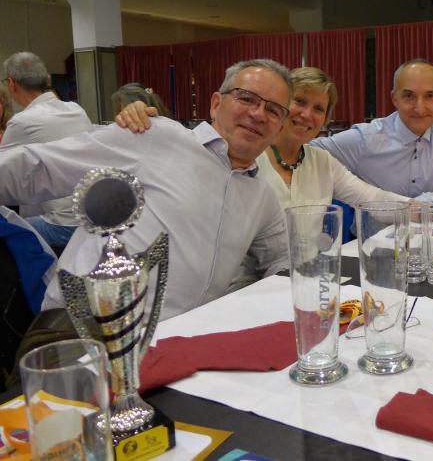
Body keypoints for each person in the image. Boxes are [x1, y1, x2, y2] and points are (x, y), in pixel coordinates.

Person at [0, 58, 292, 319]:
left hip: (181, 343)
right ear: (216, 104)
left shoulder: (262, 196)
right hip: (88, 330)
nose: (258, 114)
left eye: (273, 110)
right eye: (246, 98)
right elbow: (39, 167)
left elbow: (283, 258)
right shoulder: (153, 136)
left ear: (279, 128)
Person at [310, 59, 433, 199]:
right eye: (409, 96)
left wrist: (412, 207)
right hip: (376, 231)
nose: (420, 108)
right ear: (394, 99)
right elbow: (305, 151)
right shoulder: (365, 139)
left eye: (430, 96)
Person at [256, 66, 408, 209]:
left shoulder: (323, 162)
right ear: (280, 104)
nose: (307, 114)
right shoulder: (250, 157)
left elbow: (372, 198)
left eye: (318, 109)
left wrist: (420, 210)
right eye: (300, 101)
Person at [1, 52, 91, 248]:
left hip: (62, 224)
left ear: (12, 84)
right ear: (47, 79)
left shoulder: (22, 122)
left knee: (8, 228)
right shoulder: (76, 110)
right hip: (92, 214)